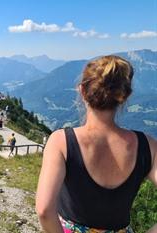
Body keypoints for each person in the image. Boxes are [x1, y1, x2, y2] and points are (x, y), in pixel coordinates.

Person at [35, 55, 157, 232]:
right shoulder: (148, 146)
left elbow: (44, 210)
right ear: (124, 96)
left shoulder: (61, 141)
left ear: (82, 91)